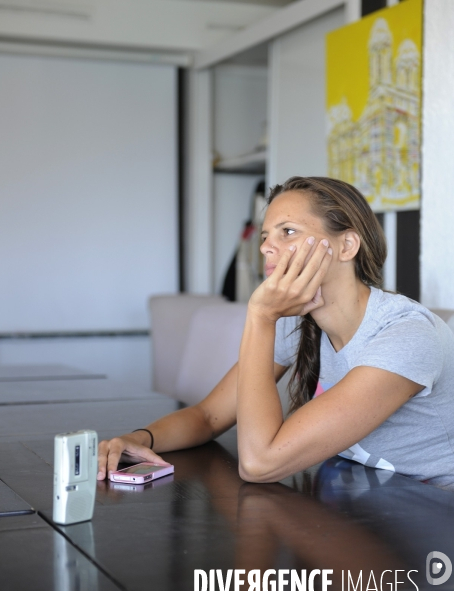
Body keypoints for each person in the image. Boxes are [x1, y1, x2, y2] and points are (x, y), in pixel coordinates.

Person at [97, 176, 454, 487]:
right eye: (266, 235)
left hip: (432, 525)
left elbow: (259, 463)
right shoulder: (302, 323)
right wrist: (138, 438)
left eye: (288, 231)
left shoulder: (407, 335)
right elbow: (208, 416)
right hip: (362, 500)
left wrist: (260, 316)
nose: (266, 246)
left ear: (346, 246)